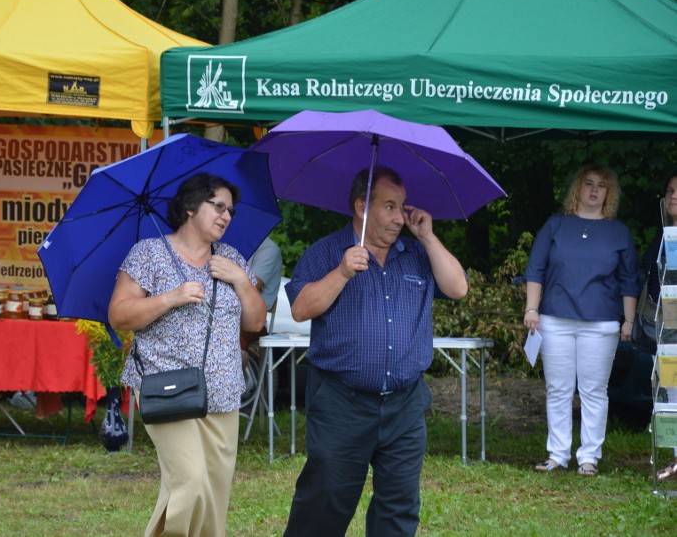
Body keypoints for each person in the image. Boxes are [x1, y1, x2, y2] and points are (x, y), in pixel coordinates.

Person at [282, 167, 468, 537]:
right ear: (361, 207)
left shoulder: (416, 253)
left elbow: (458, 288)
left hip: (404, 405)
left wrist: (428, 237)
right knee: (324, 502)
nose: (400, 217)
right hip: (341, 405)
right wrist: (342, 273)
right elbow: (301, 308)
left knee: (398, 509)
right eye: (389, 206)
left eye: (402, 206)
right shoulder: (326, 252)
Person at [109, 172, 266, 537]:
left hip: (222, 393)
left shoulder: (230, 258)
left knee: (212, 493)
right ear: (191, 207)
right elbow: (119, 314)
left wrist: (241, 280)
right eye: (219, 206)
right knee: (191, 481)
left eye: (231, 211)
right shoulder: (149, 253)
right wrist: (171, 297)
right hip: (167, 388)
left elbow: (256, 322)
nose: (226, 216)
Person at [524, 164, 639, 477]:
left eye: (601, 185)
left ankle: (589, 457)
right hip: (554, 320)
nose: (594, 190)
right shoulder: (556, 225)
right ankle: (557, 454)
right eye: (588, 183)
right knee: (558, 389)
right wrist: (531, 309)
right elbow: (535, 270)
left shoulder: (619, 232)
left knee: (593, 391)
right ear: (578, 188)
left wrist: (628, 319)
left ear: (609, 192)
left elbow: (630, 279)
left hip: (601, 324)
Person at [642, 172, 677, 481]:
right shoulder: (662, 239)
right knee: (672, 395)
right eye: (670, 190)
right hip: (668, 333)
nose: (674, 196)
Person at [240, 236, 283, 368]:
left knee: (223, 336)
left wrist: (245, 286)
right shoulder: (232, 244)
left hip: (251, 321)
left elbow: (250, 286)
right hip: (229, 316)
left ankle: (239, 383)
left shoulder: (269, 249)